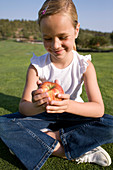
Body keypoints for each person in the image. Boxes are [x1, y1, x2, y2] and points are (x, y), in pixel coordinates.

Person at [0, 0, 113, 169]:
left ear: (76, 30)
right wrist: (39, 105)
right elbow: (24, 107)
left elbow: (98, 109)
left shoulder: (84, 66)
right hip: (43, 117)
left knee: (110, 124)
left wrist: (67, 105)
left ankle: (43, 139)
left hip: (75, 116)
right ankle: (70, 150)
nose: (55, 45)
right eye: (47, 38)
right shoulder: (36, 67)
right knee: (3, 124)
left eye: (62, 37)